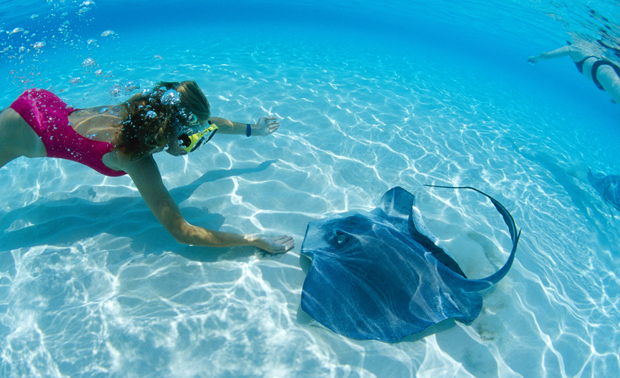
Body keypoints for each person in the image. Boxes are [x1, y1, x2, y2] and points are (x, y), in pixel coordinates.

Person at [0, 81, 295, 254]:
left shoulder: (145, 114)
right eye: (191, 138)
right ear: (171, 130)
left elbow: (212, 122)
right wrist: (252, 240)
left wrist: (253, 130)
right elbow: (183, 232)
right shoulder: (135, 158)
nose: (195, 143)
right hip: (26, 129)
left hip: (46, 106)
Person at [528, 44, 620, 104]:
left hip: (601, 69)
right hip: (604, 70)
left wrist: (535, 58)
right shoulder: (600, 51)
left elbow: (546, 55)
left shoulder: (577, 47)